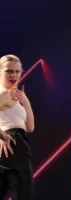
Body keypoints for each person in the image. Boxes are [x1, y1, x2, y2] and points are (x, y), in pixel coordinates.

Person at [0, 55, 35, 199]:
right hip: (14, 142)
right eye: (9, 71)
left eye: (17, 71)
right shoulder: (3, 93)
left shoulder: (15, 95)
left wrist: (25, 101)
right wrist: (2, 135)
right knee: (23, 194)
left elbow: (30, 127)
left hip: (15, 142)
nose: (14, 75)